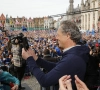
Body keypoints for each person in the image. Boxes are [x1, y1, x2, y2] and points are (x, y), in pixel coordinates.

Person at [22, 20, 89, 90]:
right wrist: (36, 59)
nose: (56, 38)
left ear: (68, 35)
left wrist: (29, 59)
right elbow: (57, 67)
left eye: (58, 35)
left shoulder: (72, 58)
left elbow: (44, 81)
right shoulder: (74, 54)